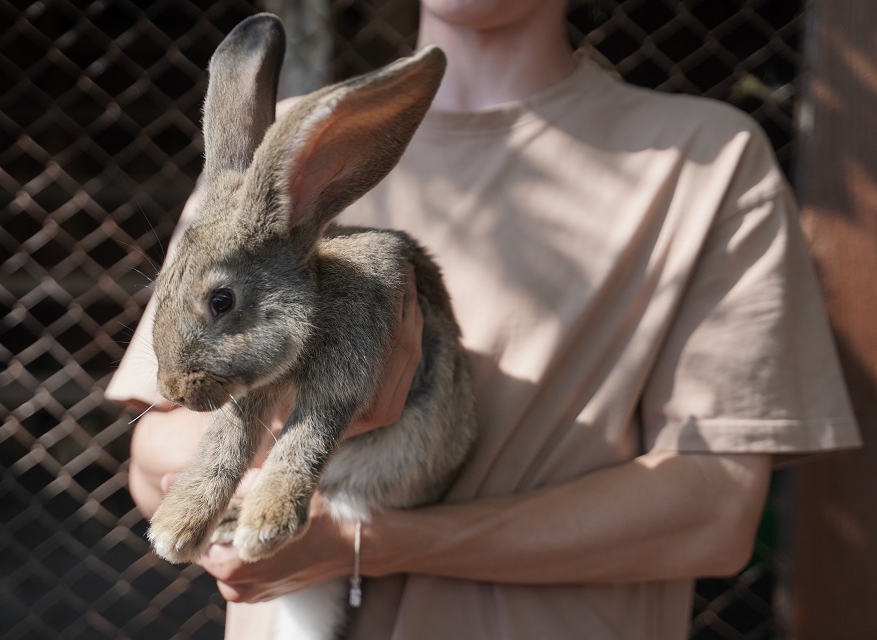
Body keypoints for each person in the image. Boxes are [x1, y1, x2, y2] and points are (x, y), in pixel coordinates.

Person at [106, 1, 861, 637]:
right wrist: (265, 436)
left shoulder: (708, 159)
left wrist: (367, 542)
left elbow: (711, 515)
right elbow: (150, 463)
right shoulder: (260, 169)